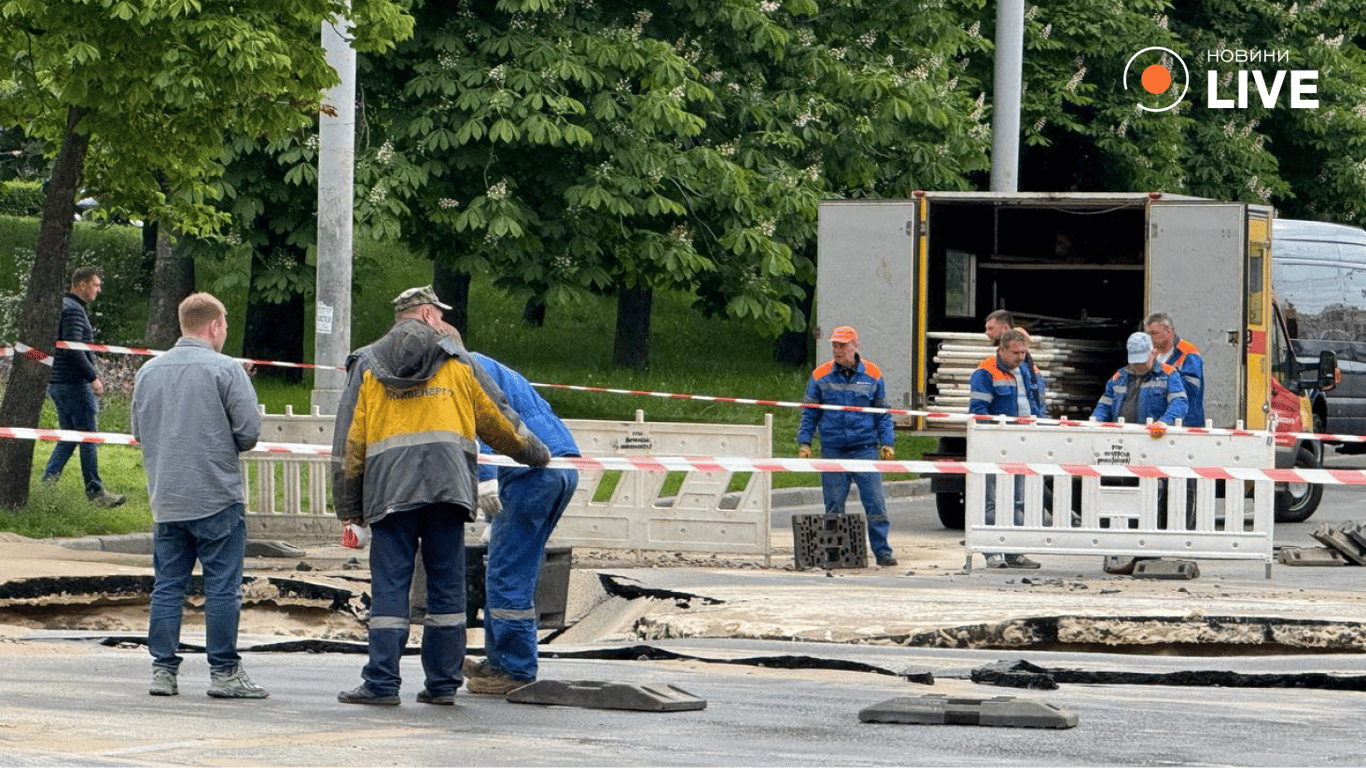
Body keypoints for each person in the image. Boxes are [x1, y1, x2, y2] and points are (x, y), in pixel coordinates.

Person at [332, 285, 550, 707]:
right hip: (447, 491)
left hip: (389, 494)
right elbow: (496, 418)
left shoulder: (368, 363)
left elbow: (349, 443)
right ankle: (442, 685)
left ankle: (380, 683)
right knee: (446, 589)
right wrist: (536, 454)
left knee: (391, 588)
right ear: (430, 314)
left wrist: (350, 509)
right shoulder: (456, 359)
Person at [131, 292, 266, 699]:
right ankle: (224, 672)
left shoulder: (148, 371)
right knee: (222, 586)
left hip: (167, 498)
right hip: (217, 497)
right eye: (224, 325)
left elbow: (139, 431)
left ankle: (163, 671)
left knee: (169, 585)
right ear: (214, 326)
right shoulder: (226, 370)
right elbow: (249, 432)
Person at [461, 350, 580, 695]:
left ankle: (514, 669)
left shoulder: (459, 368)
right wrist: (491, 517)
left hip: (531, 473)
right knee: (517, 567)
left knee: (506, 573)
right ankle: (501, 662)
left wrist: (484, 479)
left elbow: (483, 425)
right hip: (560, 465)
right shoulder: (489, 365)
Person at [797, 326, 898, 567]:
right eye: (834, 345)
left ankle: (882, 552)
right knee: (833, 505)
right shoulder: (820, 375)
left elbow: (883, 413)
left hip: (864, 448)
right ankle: (833, 552)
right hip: (833, 449)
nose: (837, 350)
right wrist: (804, 442)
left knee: (875, 503)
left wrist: (887, 443)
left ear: (855, 346)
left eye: (842, 345)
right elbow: (810, 413)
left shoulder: (873, 374)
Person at [42, 266, 124, 507]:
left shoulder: (63, 307)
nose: (98, 289)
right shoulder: (75, 311)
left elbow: (49, 350)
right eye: (95, 284)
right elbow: (74, 348)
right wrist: (93, 378)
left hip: (57, 382)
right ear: (81, 285)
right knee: (89, 437)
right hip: (74, 383)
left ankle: (48, 482)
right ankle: (95, 492)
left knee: (69, 436)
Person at [968, 328, 1046, 569]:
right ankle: (992, 552)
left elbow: (1036, 402)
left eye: (1024, 352)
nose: (1020, 357)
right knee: (992, 500)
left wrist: (1038, 423)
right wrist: (993, 438)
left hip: (1022, 441)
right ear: (1001, 350)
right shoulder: (985, 372)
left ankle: (1014, 552)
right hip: (996, 444)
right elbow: (979, 410)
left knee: (1018, 499)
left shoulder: (1027, 369)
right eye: (1015, 353)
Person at [1091, 331, 1188, 434]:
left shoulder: (1168, 375)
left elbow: (1179, 403)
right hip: (1122, 438)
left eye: (1142, 361)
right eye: (1135, 362)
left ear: (1154, 353)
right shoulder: (1119, 377)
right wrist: (1094, 423)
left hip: (1154, 438)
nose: (1138, 366)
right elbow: (1104, 406)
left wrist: (1164, 423)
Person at [1144, 312, 1204, 428]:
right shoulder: (1150, 353)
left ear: (1169, 331)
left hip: (1184, 423)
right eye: (1148, 334)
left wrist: (1164, 373)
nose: (1150, 338)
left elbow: (1191, 389)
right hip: (1156, 422)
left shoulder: (1188, 353)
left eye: (1154, 333)